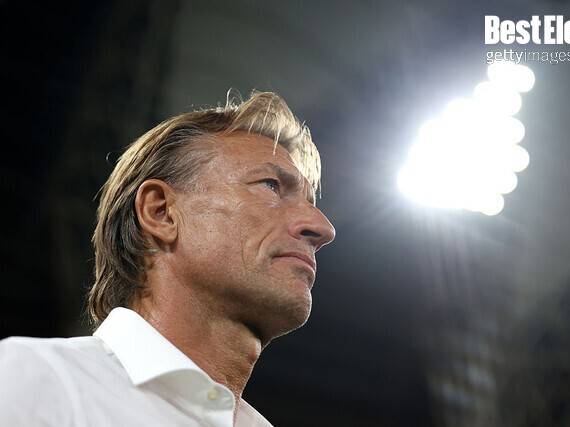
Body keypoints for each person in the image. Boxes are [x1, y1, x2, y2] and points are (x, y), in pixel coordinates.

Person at [0, 91, 336, 426]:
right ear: (160, 212)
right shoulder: (35, 381)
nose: (323, 228)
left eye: (311, 203)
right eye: (271, 185)